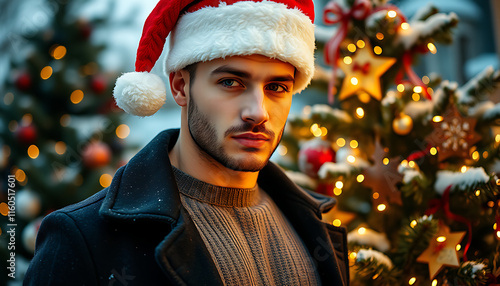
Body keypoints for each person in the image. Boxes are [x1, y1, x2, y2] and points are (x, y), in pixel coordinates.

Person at [24, 0, 349, 285]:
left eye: (277, 87)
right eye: (231, 82)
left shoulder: (314, 223)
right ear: (180, 86)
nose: (257, 112)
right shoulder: (84, 239)